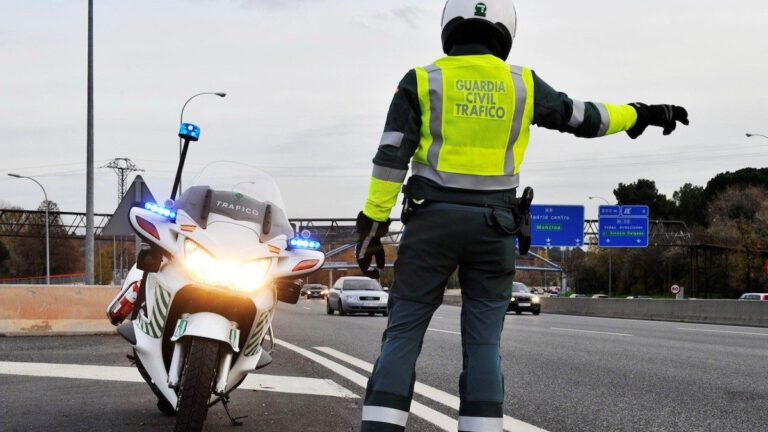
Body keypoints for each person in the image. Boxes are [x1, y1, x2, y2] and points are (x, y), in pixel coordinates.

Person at [354, 1, 689, 431]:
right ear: (503, 31)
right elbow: (583, 116)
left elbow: (391, 155)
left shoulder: (422, 80)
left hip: (431, 224)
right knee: (483, 343)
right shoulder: (522, 85)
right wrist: (640, 113)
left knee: (403, 333)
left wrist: (373, 221)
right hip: (495, 229)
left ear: (449, 28)